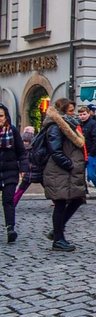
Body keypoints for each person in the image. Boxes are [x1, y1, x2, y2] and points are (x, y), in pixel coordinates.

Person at [42, 99, 87, 251]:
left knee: (78, 199)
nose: (73, 113)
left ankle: (57, 232)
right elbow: (55, 151)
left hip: (68, 171)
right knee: (60, 204)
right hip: (59, 171)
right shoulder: (55, 127)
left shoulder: (70, 125)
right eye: (70, 111)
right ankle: (58, 239)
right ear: (62, 112)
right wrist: (69, 164)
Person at [0, 103, 25, 243]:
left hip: (10, 172)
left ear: (6, 117)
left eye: (1, 116)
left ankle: (10, 228)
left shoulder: (12, 131)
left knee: (8, 200)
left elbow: (21, 151)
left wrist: (23, 168)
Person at [79, 104, 96, 204]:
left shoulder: (93, 123)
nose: (82, 116)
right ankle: (81, 196)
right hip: (82, 153)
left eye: (84, 114)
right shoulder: (79, 124)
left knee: (92, 175)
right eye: (80, 114)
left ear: (88, 114)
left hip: (92, 154)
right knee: (80, 176)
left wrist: (91, 152)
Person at [13, 126, 35, 207]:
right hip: (35, 169)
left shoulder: (21, 143)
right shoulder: (34, 143)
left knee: (21, 189)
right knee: (47, 186)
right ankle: (57, 202)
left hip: (28, 170)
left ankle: (13, 203)